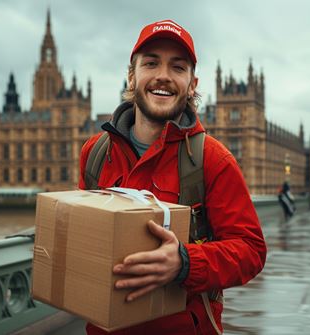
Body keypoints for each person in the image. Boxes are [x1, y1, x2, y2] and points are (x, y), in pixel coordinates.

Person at [78, 19, 267, 335]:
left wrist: (186, 262)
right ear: (131, 74)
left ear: (193, 84)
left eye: (178, 67)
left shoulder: (212, 159)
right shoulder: (96, 153)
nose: (163, 76)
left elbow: (251, 251)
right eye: (151, 63)